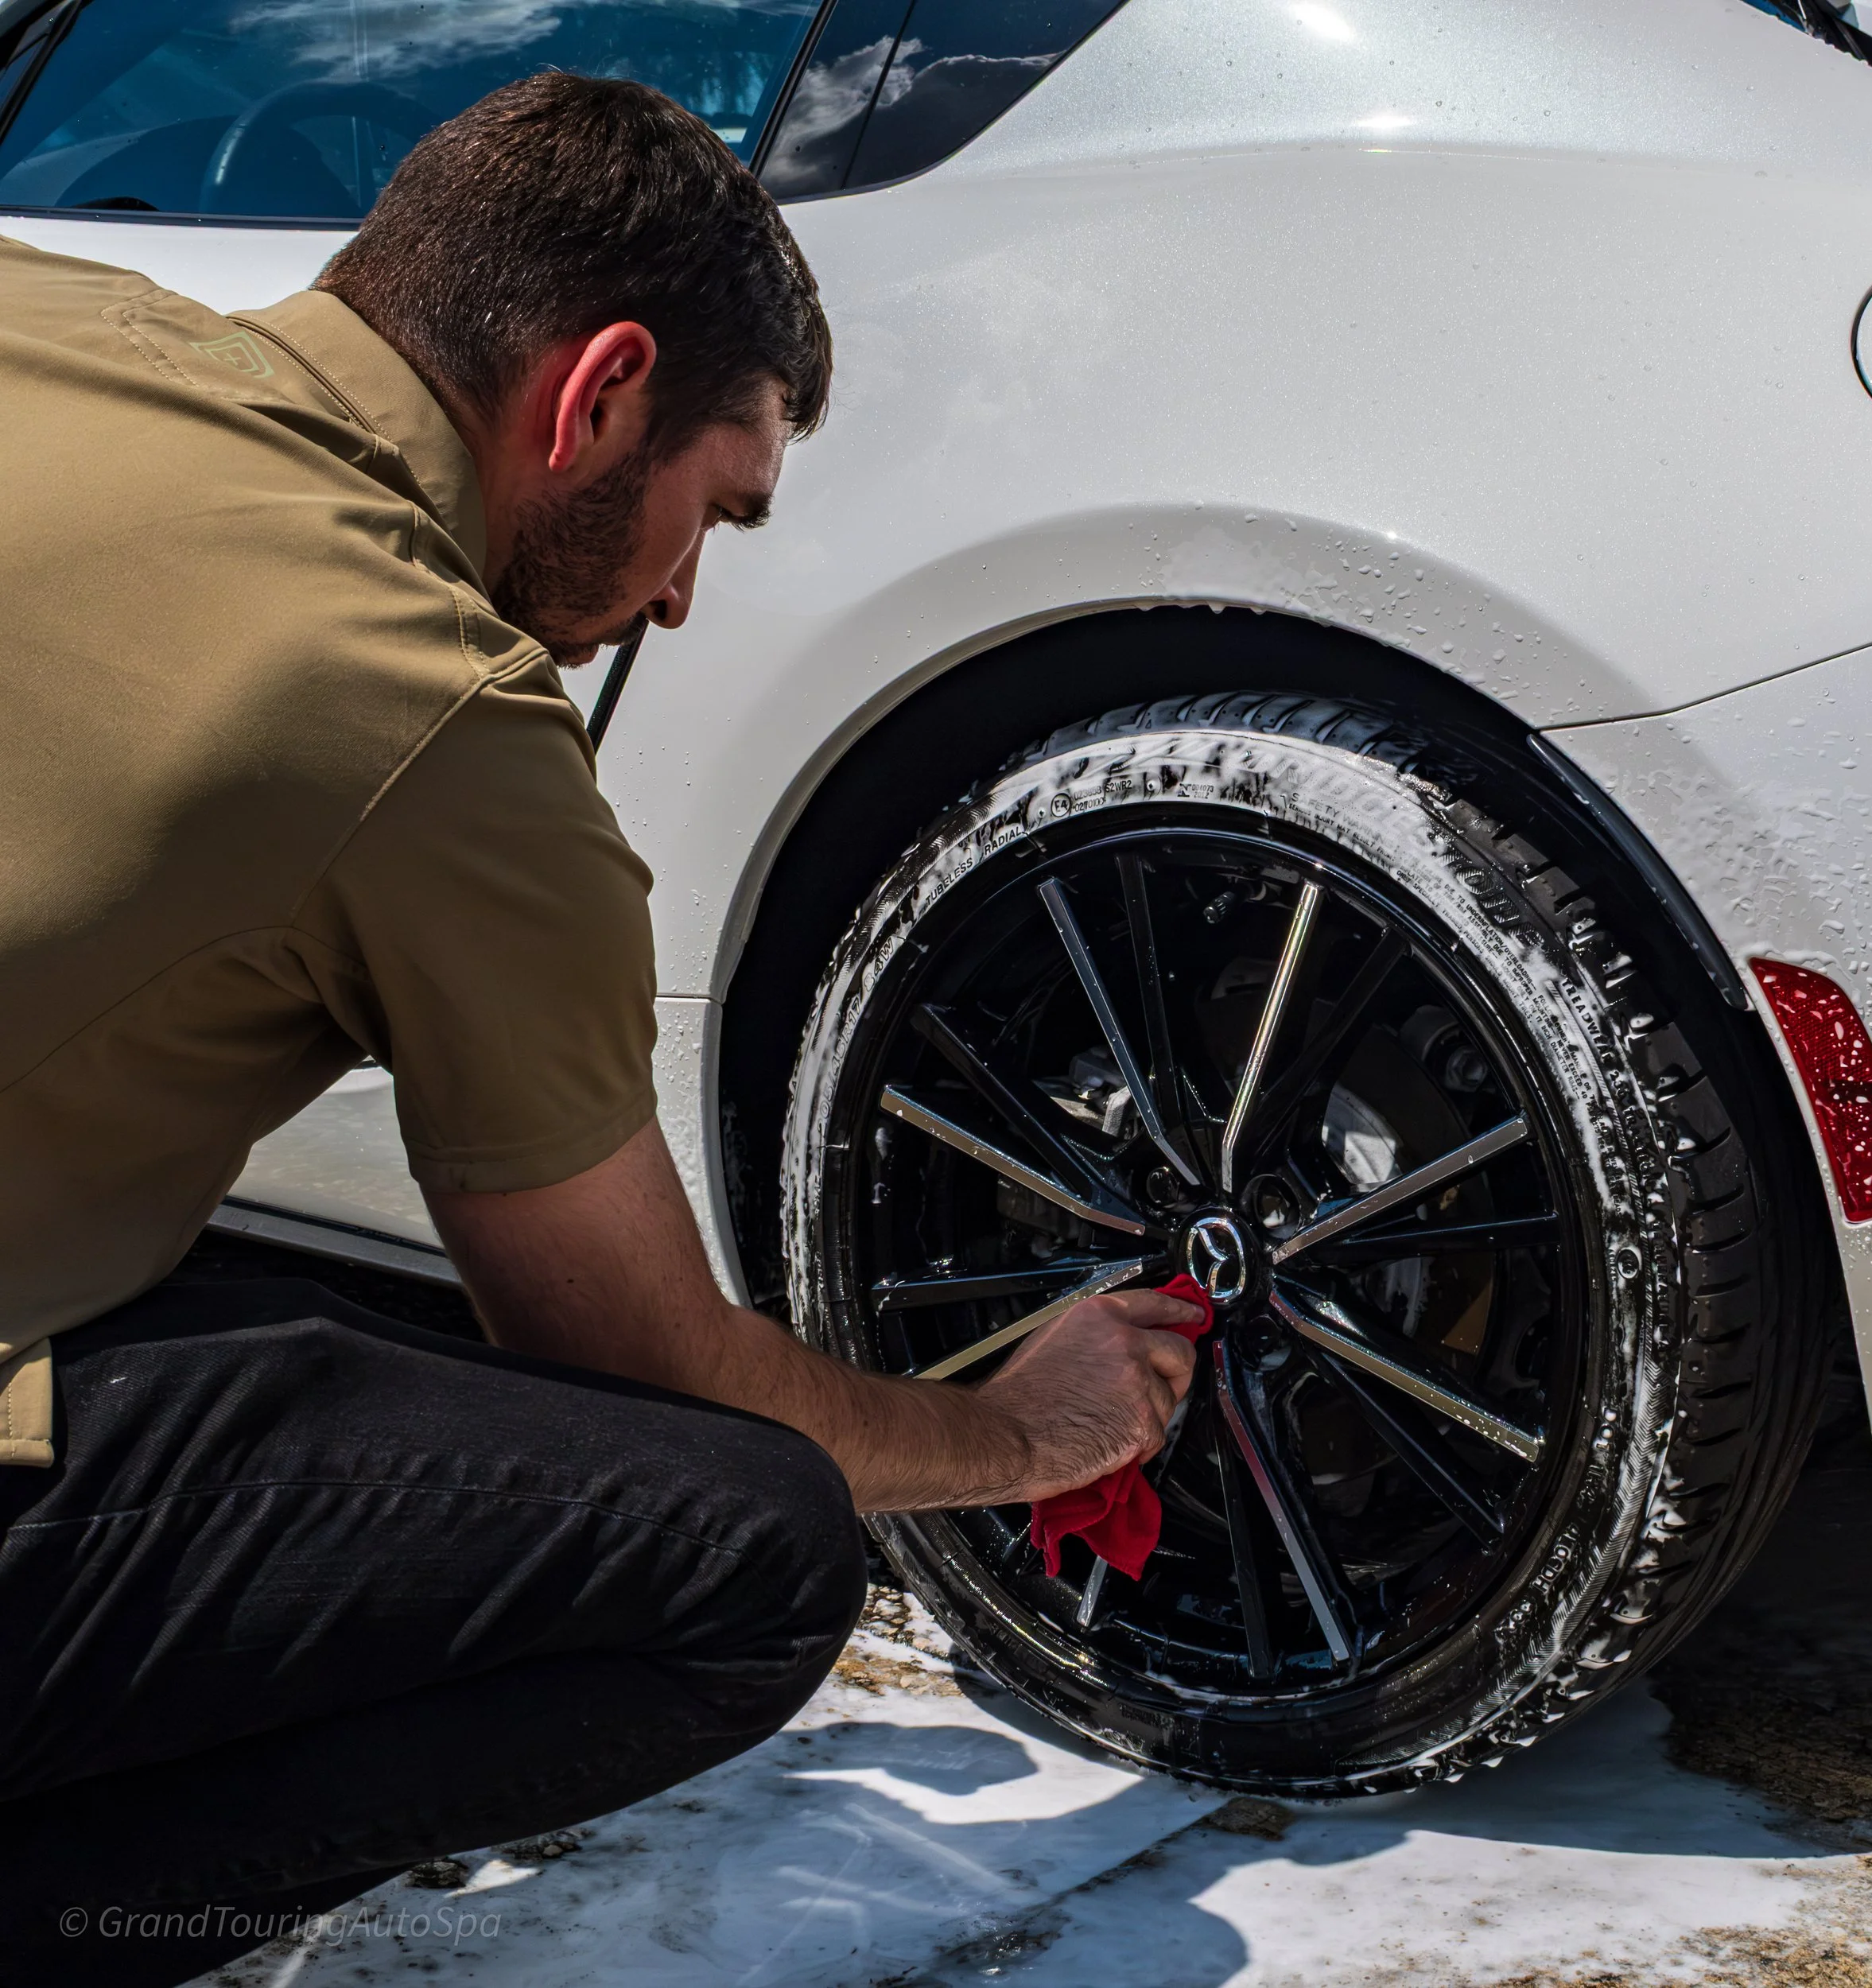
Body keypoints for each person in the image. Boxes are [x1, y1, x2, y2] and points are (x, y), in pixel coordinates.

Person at [0, 73, 1198, 1987]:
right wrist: (1013, 1428)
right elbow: (640, 1366)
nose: (684, 596)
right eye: (706, 510)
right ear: (599, 392)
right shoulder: (429, 713)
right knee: (745, 1544)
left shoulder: (41, 313)